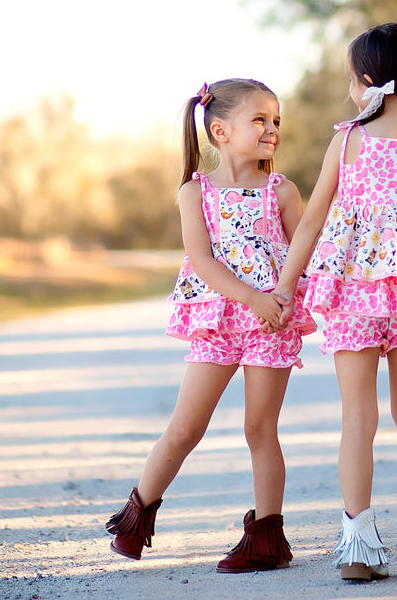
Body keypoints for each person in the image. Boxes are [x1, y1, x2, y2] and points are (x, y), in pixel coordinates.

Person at [272, 23, 397, 581]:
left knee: (358, 416)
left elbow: (311, 219)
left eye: (349, 80)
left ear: (366, 80)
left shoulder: (352, 138)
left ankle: (358, 544)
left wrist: (287, 284)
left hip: (356, 289)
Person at [105, 78, 316, 573]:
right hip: (219, 315)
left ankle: (267, 539)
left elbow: (302, 248)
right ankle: (136, 519)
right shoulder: (195, 192)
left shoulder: (281, 190)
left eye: (276, 121)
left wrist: (279, 296)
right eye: (259, 120)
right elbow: (201, 259)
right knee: (184, 427)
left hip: (272, 320)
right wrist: (251, 298)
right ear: (220, 130)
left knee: (259, 428)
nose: (272, 129)